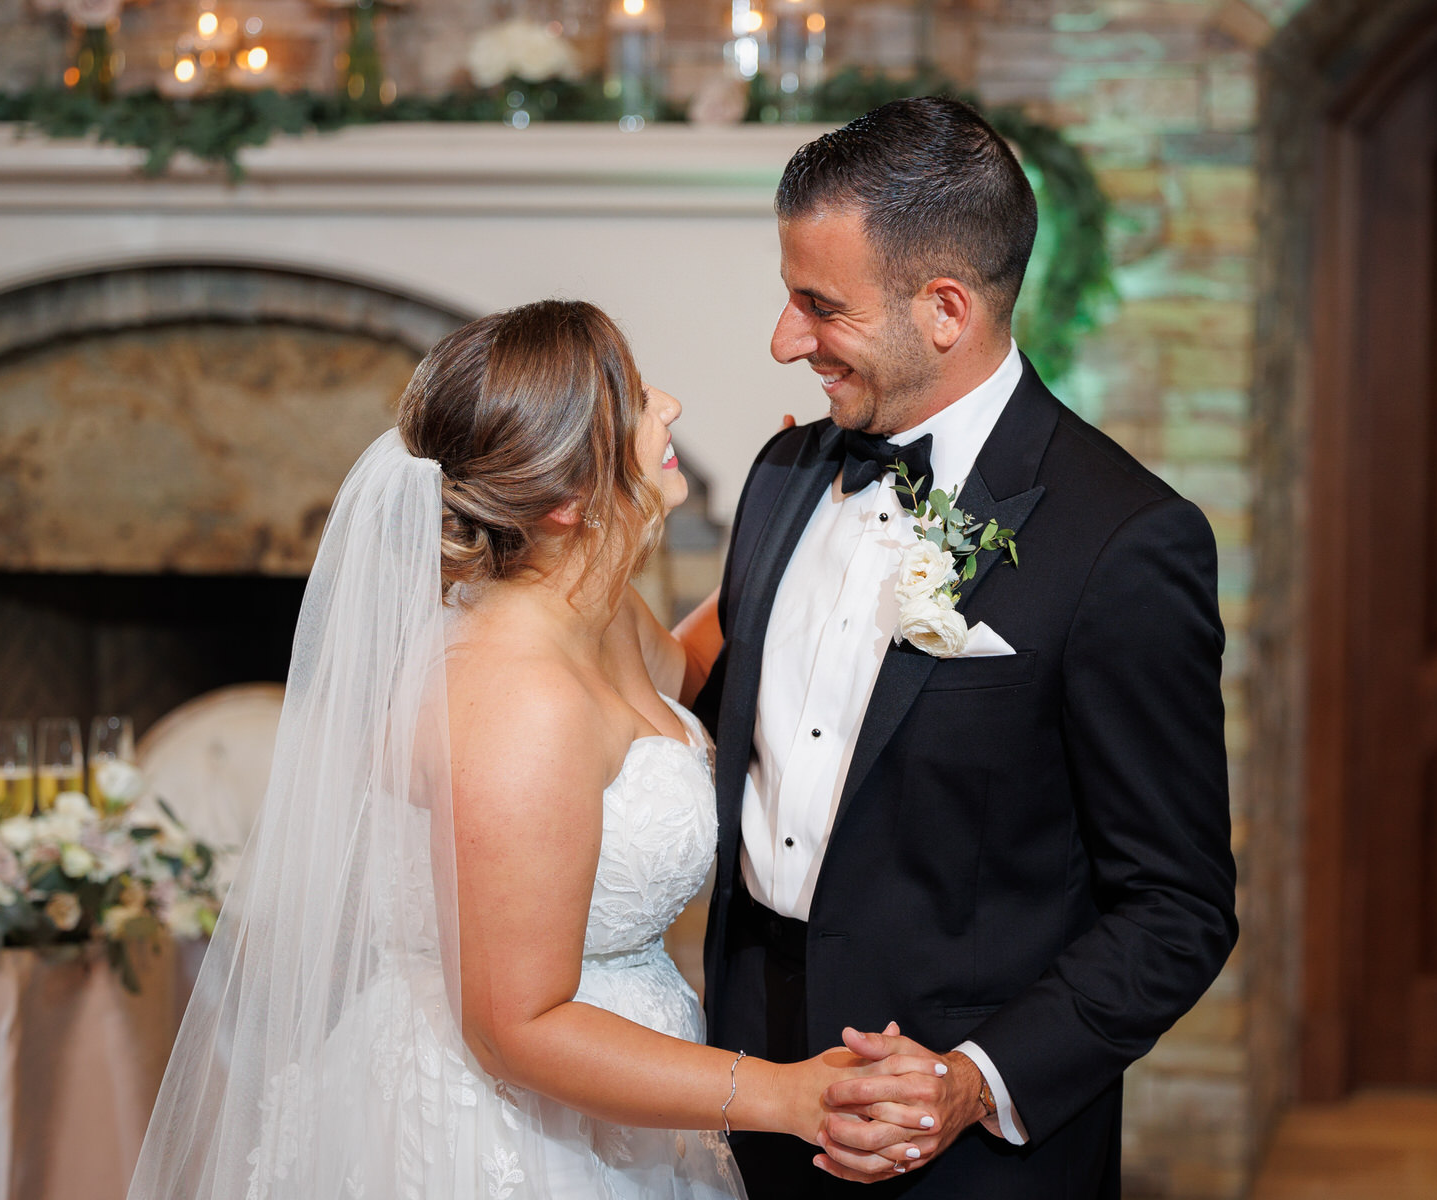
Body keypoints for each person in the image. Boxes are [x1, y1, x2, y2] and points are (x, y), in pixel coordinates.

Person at [127, 300, 938, 1200]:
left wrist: (801, 527)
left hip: (620, 1094)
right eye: (629, 401)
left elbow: (698, 666)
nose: (666, 405)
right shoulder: (520, 700)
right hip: (508, 1127)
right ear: (566, 502)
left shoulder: (592, 604)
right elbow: (517, 1027)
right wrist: (789, 1096)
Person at [691, 97, 1239, 1198]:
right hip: (746, 1087)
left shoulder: (1125, 541)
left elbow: (1177, 910)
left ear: (944, 309)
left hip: (968, 1155)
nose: (783, 340)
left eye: (819, 305)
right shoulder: (783, 475)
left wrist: (974, 1080)